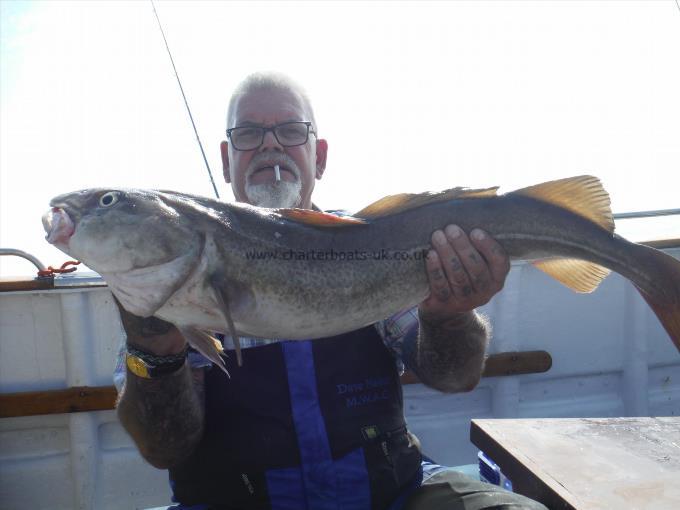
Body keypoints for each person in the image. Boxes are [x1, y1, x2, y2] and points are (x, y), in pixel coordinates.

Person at [114, 72, 547, 510]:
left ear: (318, 156)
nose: (270, 145)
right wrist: (154, 351)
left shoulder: (375, 243)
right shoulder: (181, 261)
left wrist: (449, 316)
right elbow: (164, 448)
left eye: (289, 130)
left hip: (392, 495)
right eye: (249, 133)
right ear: (226, 160)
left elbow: (454, 377)